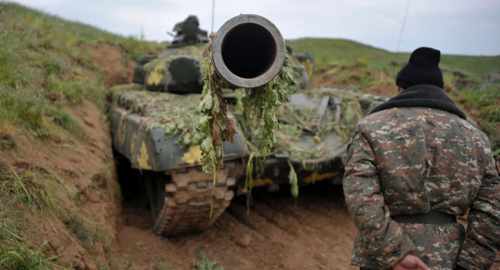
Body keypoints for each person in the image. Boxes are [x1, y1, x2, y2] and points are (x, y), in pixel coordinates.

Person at [343, 47, 500, 270]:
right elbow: (491, 209)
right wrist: (470, 264)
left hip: (384, 261)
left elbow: (361, 196)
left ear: (401, 87)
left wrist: (394, 253)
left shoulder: (370, 128)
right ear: (439, 89)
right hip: (449, 257)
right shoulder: (477, 138)